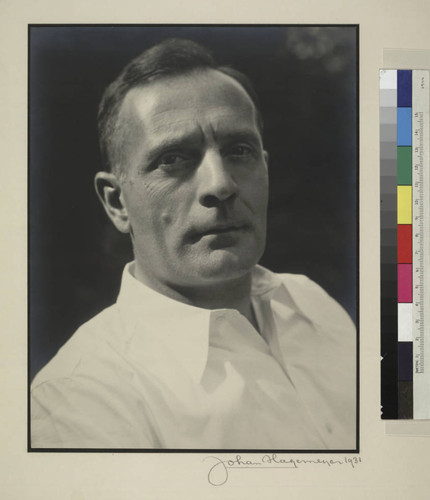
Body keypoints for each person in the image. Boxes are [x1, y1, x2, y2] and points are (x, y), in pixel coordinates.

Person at [31, 38, 356, 449]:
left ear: (266, 170)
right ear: (117, 203)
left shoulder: (312, 304)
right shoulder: (81, 399)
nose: (221, 184)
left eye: (239, 150)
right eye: (173, 159)